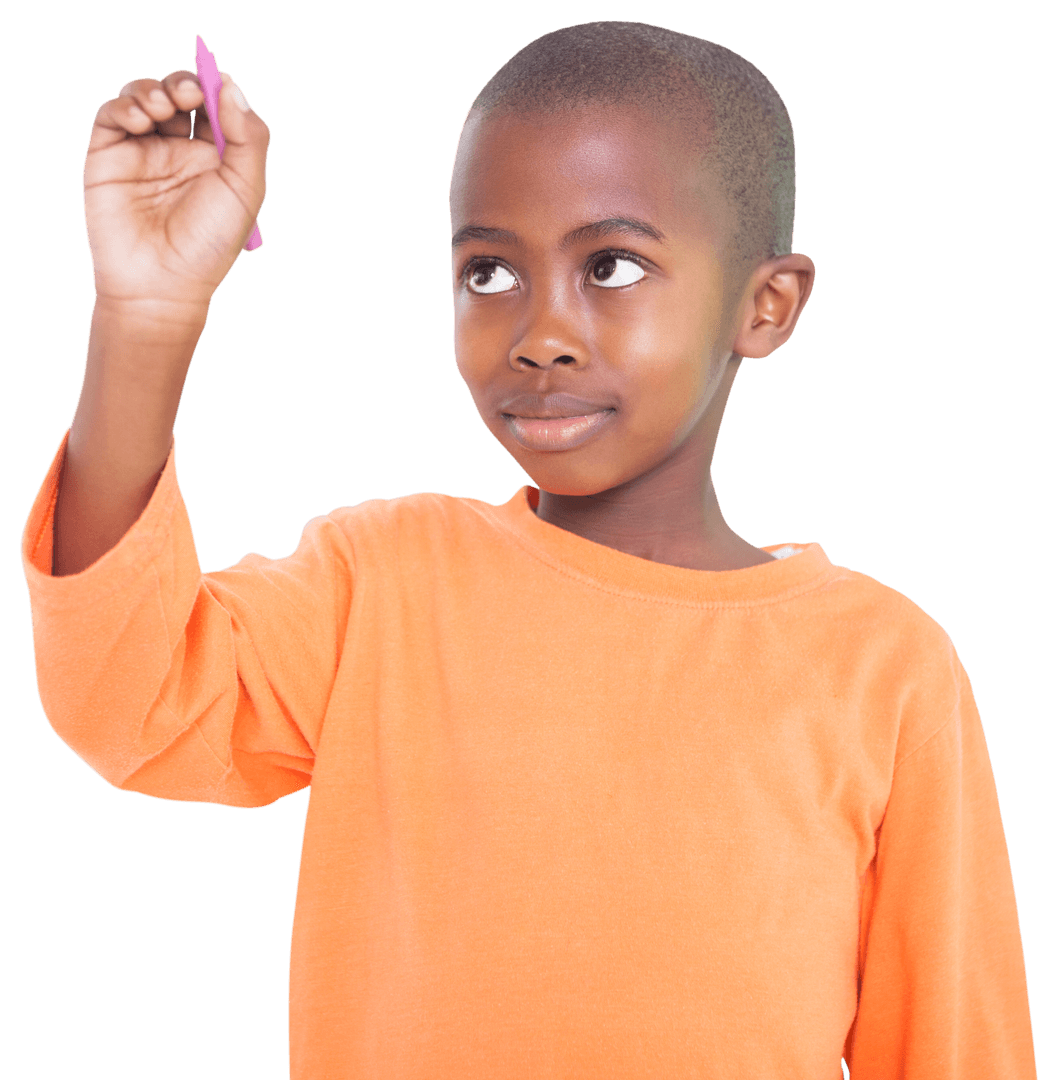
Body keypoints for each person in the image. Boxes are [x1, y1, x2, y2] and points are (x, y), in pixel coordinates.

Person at [19, 20, 1036, 1080]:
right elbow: (129, 698)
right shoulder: (384, 582)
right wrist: (145, 313)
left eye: (612, 265)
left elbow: (953, 1049)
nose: (540, 334)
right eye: (490, 273)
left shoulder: (883, 666)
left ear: (765, 305)